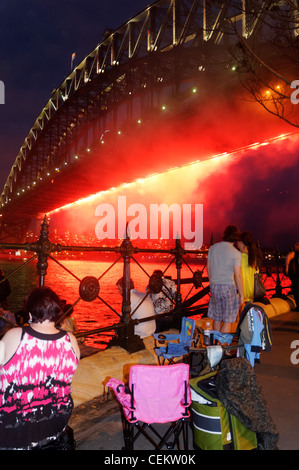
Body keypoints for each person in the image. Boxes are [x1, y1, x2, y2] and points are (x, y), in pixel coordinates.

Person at [0, 287, 80, 450]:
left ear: (30, 313)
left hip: (13, 431)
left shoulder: (15, 336)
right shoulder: (70, 340)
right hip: (55, 424)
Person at [207, 225, 244, 333]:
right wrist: (241, 294)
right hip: (228, 287)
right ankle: (222, 347)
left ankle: (215, 346)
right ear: (236, 237)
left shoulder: (213, 248)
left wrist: (212, 282)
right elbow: (238, 275)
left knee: (217, 318)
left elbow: (209, 268)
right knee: (227, 321)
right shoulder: (236, 253)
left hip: (214, 286)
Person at [237, 231, 261, 303]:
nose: (237, 243)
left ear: (242, 243)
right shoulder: (253, 257)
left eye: (238, 241)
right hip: (251, 291)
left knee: (239, 313)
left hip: (241, 292)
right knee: (249, 312)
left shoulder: (239, 257)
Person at [285, 242, 299, 310]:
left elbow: (287, 258)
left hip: (296, 274)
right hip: (296, 274)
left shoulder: (294, 253)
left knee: (296, 290)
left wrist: (287, 267)